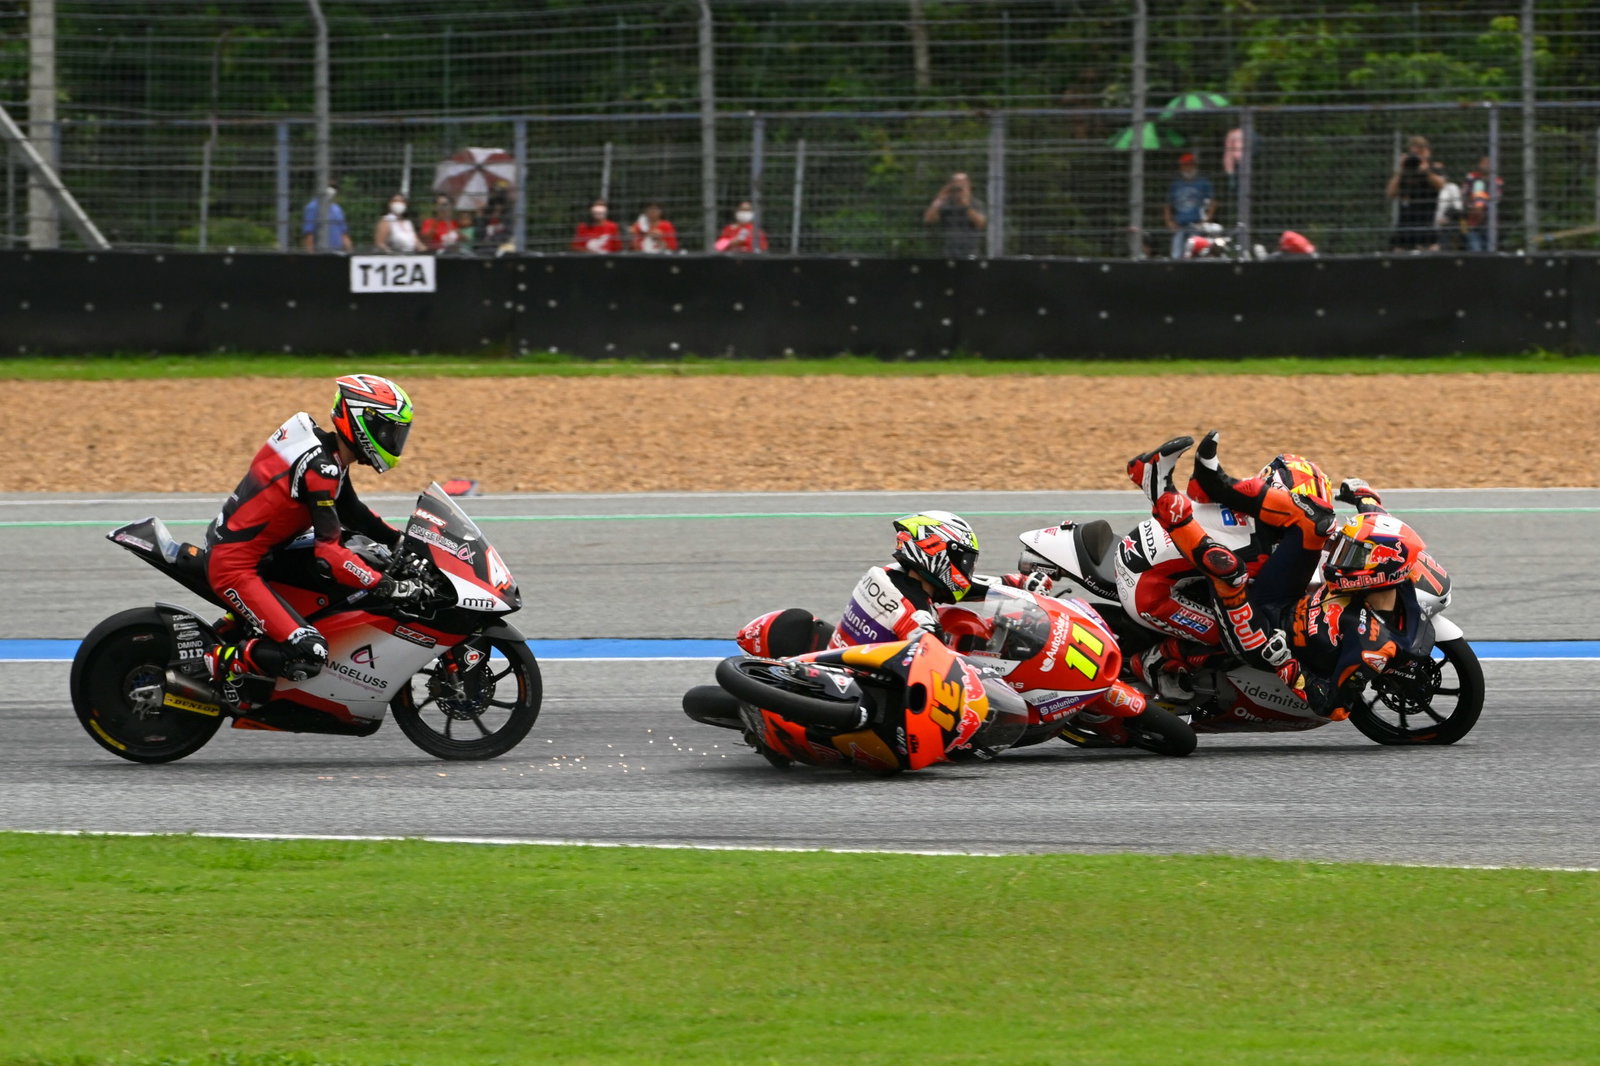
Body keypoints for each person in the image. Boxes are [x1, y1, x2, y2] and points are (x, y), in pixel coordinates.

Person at [1147, 434, 1409, 720]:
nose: (1344, 560)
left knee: (1230, 571)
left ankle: (1162, 497)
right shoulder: (1335, 540)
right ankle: (1211, 480)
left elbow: (1333, 706)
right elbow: (1384, 534)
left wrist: (1287, 666)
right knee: (1313, 523)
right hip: (1284, 598)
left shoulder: (1374, 646)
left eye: (1354, 558)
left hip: (1267, 638)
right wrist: (1367, 499)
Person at [200, 375, 424, 706]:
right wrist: (386, 585)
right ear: (362, 423)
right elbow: (329, 555)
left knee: (357, 547)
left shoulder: (329, 457)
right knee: (310, 651)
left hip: (265, 556)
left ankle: (237, 640)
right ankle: (212, 665)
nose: (393, 441)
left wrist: (405, 543)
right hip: (236, 567)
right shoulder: (321, 467)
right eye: (388, 431)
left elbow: (355, 514)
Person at [1119, 434, 1338, 697]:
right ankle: (1155, 661)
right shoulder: (1257, 545)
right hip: (1149, 589)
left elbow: (1198, 489)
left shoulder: (1251, 502)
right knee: (1231, 632)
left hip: (1154, 556)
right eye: (1300, 505)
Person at [827, 511, 1048, 650]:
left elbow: (963, 586)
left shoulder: (891, 574)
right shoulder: (916, 616)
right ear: (936, 553)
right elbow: (937, 667)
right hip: (870, 695)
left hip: (850, 664)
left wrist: (1014, 583)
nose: (968, 568)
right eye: (965, 560)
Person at [1387, 135, 1445, 252]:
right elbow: (1390, 193)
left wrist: (1426, 171)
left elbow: (1441, 184)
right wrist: (1401, 169)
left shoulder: (1433, 168)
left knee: (1432, 254)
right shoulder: (1405, 172)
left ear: (1426, 152)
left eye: (1420, 152)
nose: (1416, 156)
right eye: (1414, 153)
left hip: (1426, 223)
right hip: (1405, 225)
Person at [923, 172, 987, 257]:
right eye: (956, 183)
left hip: (971, 252)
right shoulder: (947, 204)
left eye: (962, 184)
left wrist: (966, 206)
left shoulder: (975, 203)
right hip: (949, 253)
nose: (959, 188)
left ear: (968, 185)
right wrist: (940, 198)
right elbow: (929, 219)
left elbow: (981, 224)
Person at [1164, 153, 1215, 259]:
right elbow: (1167, 205)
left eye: (1190, 165)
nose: (1188, 168)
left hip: (1196, 225)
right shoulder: (1176, 185)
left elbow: (1213, 203)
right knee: (1176, 255)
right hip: (1179, 225)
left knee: (1197, 254)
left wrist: (1206, 221)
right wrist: (1169, 221)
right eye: (1185, 165)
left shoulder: (1203, 183)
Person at [300, 179, 353, 253]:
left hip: (338, 252)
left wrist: (350, 251)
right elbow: (309, 234)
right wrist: (310, 254)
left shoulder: (337, 209)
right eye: (329, 186)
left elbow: (343, 234)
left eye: (334, 188)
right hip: (320, 252)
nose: (332, 190)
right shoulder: (312, 207)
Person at [1463, 156, 1503, 252]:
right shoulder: (1471, 177)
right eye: (1484, 163)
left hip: (1490, 224)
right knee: (1475, 251)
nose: (1486, 165)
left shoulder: (1497, 181)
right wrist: (1473, 207)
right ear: (1479, 164)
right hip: (1473, 222)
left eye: (1489, 163)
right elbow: (1464, 195)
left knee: (1490, 252)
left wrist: (1483, 206)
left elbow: (1497, 199)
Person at [1434, 165, 1464, 252]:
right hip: (1433, 229)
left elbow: (1458, 208)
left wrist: (1447, 217)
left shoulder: (1451, 188)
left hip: (1447, 229)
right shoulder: (1430, 190)